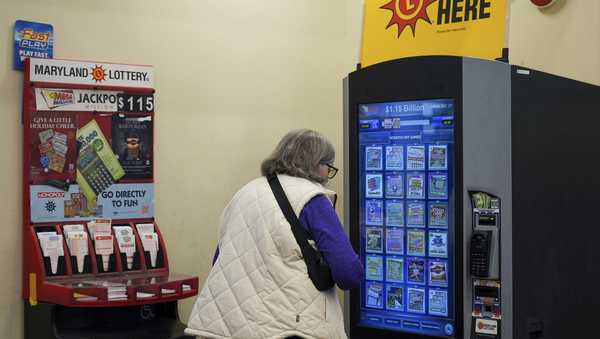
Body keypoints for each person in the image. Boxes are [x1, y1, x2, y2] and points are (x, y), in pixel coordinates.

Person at [186, 129, 363, 339]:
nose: (327, 175)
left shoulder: (244, 193)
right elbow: (348, 274)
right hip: (288, 327)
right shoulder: (313, 200)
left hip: (231, 325)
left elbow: (222, 259)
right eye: (329, 167)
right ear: (316, 164)